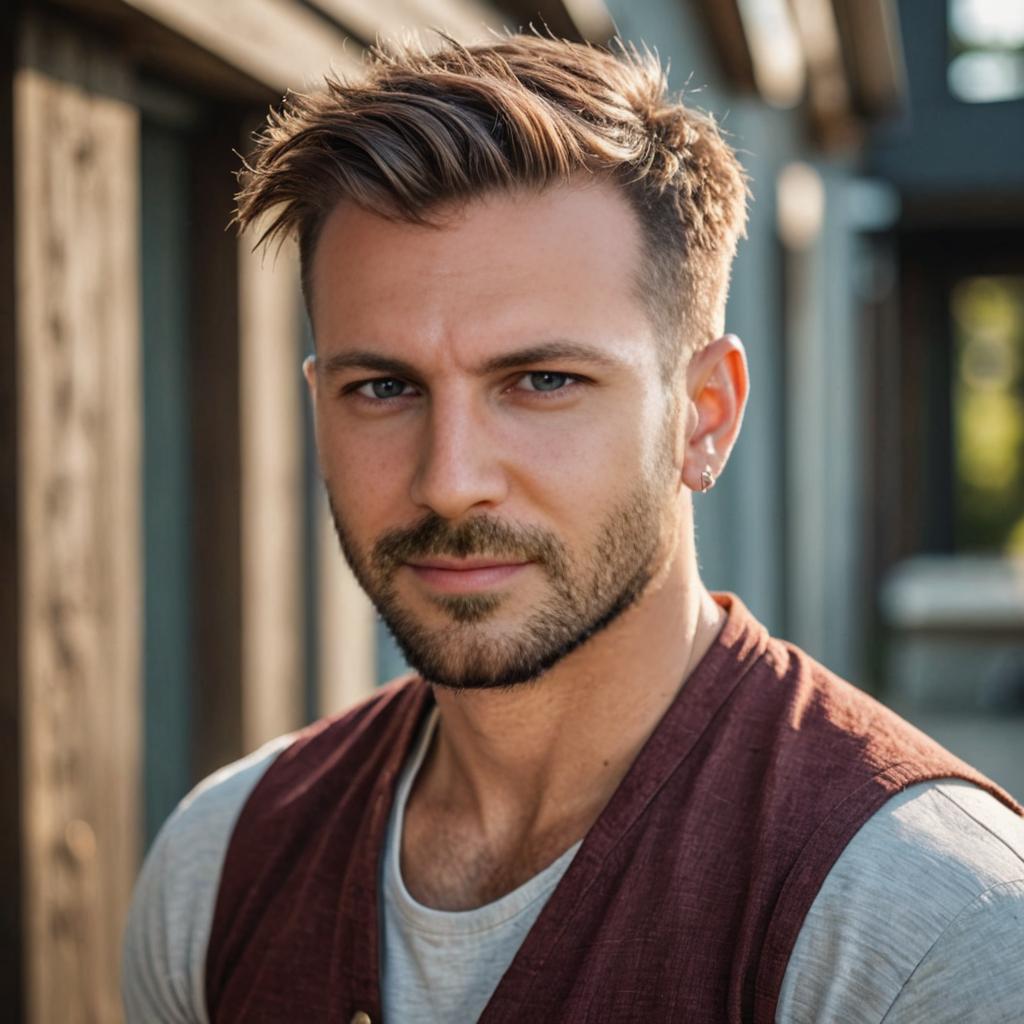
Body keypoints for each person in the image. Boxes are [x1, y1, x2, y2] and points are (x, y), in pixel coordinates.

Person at [123, 34, 1024, 1024]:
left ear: (705, 413)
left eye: (542, 381)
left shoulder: (930, 925)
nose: (449, 481)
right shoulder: (216, 866)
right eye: (382, 387)